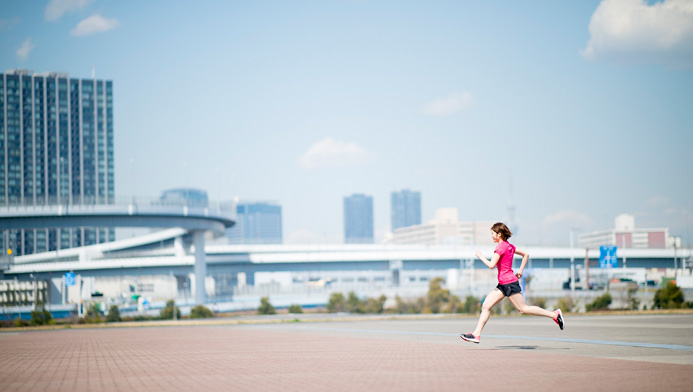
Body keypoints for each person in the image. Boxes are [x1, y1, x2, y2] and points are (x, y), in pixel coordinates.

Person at [460, 222, 564, 344]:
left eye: (493, 233)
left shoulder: (499, 248)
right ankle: (476, 334)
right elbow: (526, 254)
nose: (491, 236)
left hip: (508, 283)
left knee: (523, 309)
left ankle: (554, 314)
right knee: (486, 306)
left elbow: (491, 265)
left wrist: (480, 256)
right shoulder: (509, 246)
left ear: (499, 234)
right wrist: (520, 271)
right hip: (503, 284)